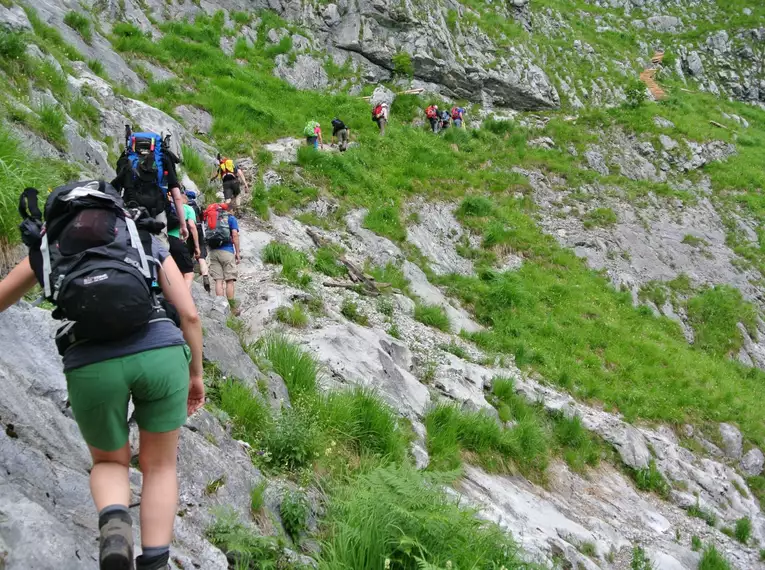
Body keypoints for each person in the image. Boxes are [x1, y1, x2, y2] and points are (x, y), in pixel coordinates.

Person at [6, 181, 204, 570]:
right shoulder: (140, 237)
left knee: (110, 464)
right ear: (115, 211)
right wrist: (196, 375)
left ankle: (115, 524)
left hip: (91, 363)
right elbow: (191, 315)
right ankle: (155, 562)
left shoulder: (50, 247)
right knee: (159, 466)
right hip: (161, 353)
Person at [112, 129, 187, 247]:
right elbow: (177, 196)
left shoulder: (126, 158)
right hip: (157, 210)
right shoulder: (163, 158)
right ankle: (160, 264)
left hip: (130, 209)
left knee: (130, 245)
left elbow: (117, 188)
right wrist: (183, 225)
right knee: (161, 248)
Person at [204, 203, 241, 316]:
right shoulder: (231, 218)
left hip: (213, 252)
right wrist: (237, 253)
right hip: (227, 251)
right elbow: (234, 235)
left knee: (218, 281)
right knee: (229, 280)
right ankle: (233, 309)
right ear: (230, 210)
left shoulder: (211, 218)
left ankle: (220, 307)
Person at [168, 191, 199, 289]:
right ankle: (184, 300)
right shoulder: (187, 208)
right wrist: (197, 247)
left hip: (163, 240)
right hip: (177, 241)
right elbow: (192, 226)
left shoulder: (168, 208)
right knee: (189, 273)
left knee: (174, 271)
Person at [185, 190, 211, 293]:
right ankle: (205, 276)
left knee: (187, 253)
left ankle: (186, 275)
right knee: (201, 256)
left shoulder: (184, 207)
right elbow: (202, 220)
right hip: (199, 231)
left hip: (187, 230)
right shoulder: (197, 207)